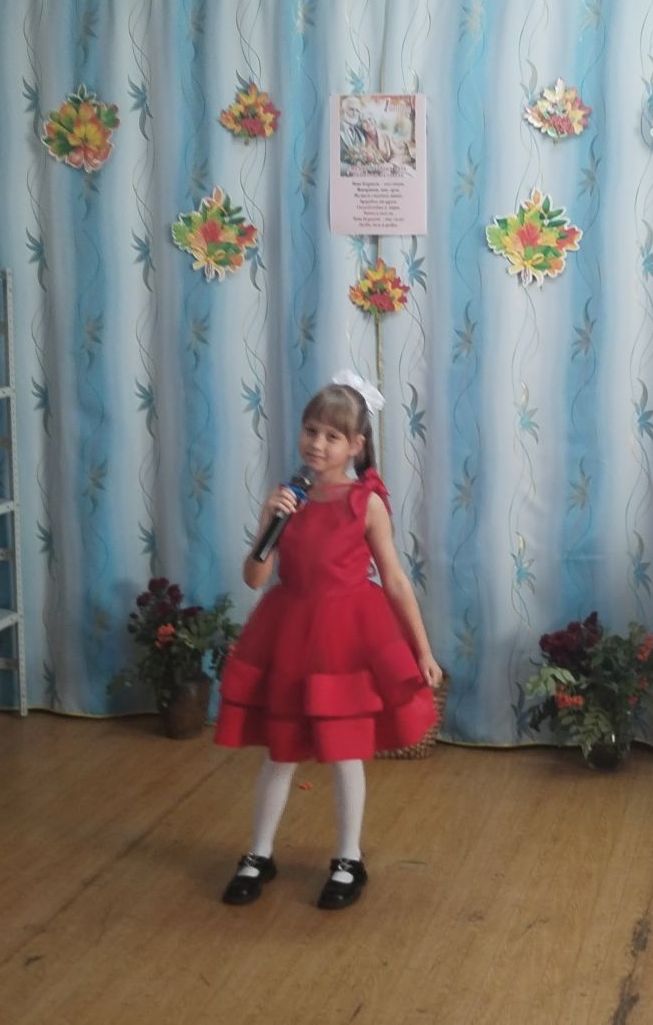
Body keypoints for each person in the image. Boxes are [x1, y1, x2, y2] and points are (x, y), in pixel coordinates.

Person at [214, 370, 442, 910]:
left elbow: (394, 579)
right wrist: (269, 524)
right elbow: (254, 577)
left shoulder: (366, 503)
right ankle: (259, 852)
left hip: (346, 635)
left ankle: (348, 857)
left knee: (344, 751)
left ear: (356, 446)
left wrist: (423, 649)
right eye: (311, 431)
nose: (317, 443)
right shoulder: (285, 499)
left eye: (332, 436)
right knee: (281, 750)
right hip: (289, 630)